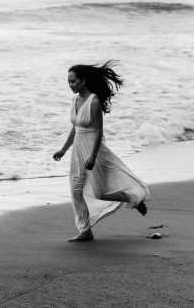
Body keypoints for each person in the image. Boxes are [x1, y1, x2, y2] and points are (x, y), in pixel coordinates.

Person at [53, 60, 150, 242]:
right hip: (78, 150)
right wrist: (64, 149)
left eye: (73, 81)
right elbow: (75, 128)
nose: (70, 85)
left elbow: (98, 131)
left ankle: (134, 198)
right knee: (75, 190)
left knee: (99, 191)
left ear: (83, 80)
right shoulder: (75, 100)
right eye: (68, 81)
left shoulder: (94, 101)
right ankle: (85, 230)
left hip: (93, 148)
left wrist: (92, 156)